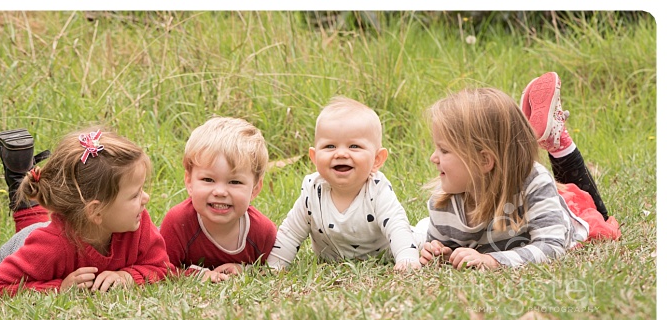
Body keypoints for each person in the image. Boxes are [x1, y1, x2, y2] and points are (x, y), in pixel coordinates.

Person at [0, 107, 171, 296]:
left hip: (51, 232)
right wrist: (58, 288)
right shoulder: (49, 247)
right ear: (96, 211)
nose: (146, 199)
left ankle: (20, 169)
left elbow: (163, 268)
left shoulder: (139, 226)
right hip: (30, 242)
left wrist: (129, 276)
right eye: (135, 194)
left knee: (44, 242)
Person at [418, 72, 621, 270]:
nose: (433, 158)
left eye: (444, 150)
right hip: (525, 192)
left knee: (596, 216)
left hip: (561, 213)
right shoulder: (441, 204)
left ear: (484, 160)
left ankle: (560, 144)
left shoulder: (534, 182)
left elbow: (551, 246)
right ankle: (544, 139)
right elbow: (445, 248)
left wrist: (493, 260)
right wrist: (441, 254)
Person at [266, 96, 422, 272]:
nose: (340, 154)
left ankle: (430, 230)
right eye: (330, 146)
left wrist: (406, 258)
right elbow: (290, 233)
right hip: (332, 262)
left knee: (423, 238)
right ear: (314, 157)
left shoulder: (377, 190)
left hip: (387, 253)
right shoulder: (312, 191)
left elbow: (396, 226)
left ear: (377, 159)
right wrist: (275, 266)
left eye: (354, 146)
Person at [159, 117, 277, 282]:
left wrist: (245, 269)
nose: (220, 192)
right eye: (208, 180)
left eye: (234, 182)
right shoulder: (178, 223)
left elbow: (272, 268)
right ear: (189, 181)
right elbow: (161, 268)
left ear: (255, 188)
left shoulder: (263, 232)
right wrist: (199, 274)